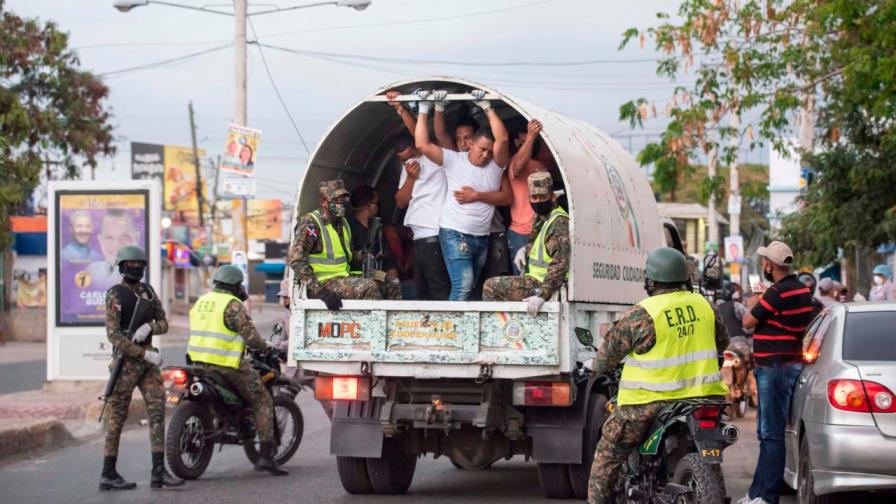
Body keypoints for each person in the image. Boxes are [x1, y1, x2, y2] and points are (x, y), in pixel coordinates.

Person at [587, 247, 730, 503]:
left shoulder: (641, 314)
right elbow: (722, 343)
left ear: (650, 281)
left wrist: (592, 366)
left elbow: (605, 358)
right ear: (685, 278)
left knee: (608, 454)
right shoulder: (705, 306)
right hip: (703, 400)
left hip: (647, 405)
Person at [187, 265, 288, 476]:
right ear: (234, 285)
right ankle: (267, 456)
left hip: (197, 362)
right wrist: (267, 348)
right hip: (225, 365)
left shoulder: (202, 301)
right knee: (262, 399)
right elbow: (251, 337)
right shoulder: (232, 305)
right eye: (240, 285)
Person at [415, 90, 512, 301]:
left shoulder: (496, 165)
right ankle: (452, 331)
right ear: (471, 145)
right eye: (481, 149)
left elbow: (502, 139)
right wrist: (424, 109)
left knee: (471, 287)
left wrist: (486, 105)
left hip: (482, 237)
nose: (485, 154)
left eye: (489, 150)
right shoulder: (454, 160)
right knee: (463, 286)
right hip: (455, 233)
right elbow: (422, 145)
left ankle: (460, 330)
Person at [100, 246, 182, 491]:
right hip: (126, 363)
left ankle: (159, 472)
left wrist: (150, 329)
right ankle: (108, 473)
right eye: (131, 263)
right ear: (122, 266)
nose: (136, 267)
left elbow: (164, 323)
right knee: (117, 419)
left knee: (158, 413)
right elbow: (114, 336)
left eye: (140, 263)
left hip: (147, 364)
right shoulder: (115, 294)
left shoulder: (148, 292)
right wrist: (143, 353)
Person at [741, 241, 814, 504]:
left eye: (764, 263)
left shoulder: (775, 294)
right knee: (766, 433)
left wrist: (753, 302)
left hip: (773, 368)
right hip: (789, 364)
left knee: (770, 435)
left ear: (770, 266)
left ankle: (767, 496)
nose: (763, 267)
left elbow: (747, 322)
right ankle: (756, 493)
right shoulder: (804, 291)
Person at [288, 180, 392, 310]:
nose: (341, 204)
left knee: (389, 281)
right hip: (323, 283)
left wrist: (363, 255)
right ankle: (371, 328)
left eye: (343, 200)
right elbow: (296, 261)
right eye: (336, 200)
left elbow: (346, 256)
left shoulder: (343, 223)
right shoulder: (311, 223)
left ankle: (394, 329)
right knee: (369, 287)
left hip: (344, 277)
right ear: (324, 201)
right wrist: (320, 291)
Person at [482, 172, 569, 314]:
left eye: (543, 197)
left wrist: (543, 295)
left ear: (552, 197)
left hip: (546, 285)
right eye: (534, 197)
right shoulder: (541, 218)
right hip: (535, 281)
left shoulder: (559, 221)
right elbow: (539, 245)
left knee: (490, 287)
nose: (538, 201)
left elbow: (560, 264)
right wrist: (524, 250)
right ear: (529, 198)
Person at [393, 134, 452, 300]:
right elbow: (400, 202)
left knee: (439, 289)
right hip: (418, 238)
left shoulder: (437, 161)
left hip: (434, 234)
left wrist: (402, 110)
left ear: (416, 146)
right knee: (422, 291)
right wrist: (411, 178)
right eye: (403, 159)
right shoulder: (410, 167)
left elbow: (425, 134)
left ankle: (445, 324)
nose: (409, 161)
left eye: (410, 155)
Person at [506, 119, 549, 274]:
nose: (530, 145)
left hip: (540, 231)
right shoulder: (515, 163)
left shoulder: (540, 164)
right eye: (524, 142)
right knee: (522, 282)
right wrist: (530, 137)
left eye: (532, 141)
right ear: (517, 143)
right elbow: (518, 167)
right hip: (521, 233)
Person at [347, 185, 402, 295]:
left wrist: (393, 276)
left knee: (400, 285)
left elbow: (388, 258)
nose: (378, 207)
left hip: (376, 273)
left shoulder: (376, 228)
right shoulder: (348, 228)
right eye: (377, 203)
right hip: (356, 275)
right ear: (369, 205)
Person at [86, 210, 140, 291]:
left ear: (136, 239)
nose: (116, 245)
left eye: (125, 237)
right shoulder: (91, 271)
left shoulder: (149, 274)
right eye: (109, 238)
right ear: (100, 241)